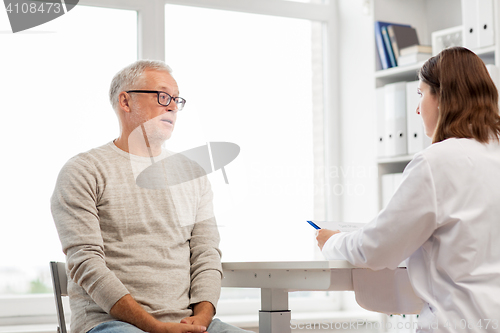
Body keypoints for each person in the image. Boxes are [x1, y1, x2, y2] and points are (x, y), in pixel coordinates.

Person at [51, 60, 247, 333]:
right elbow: (86, 262)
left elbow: (206, 255)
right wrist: (153, 327)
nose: (172, 107)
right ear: (126, 101)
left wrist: (202, 320)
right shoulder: (84, 171)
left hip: (188, 324)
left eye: (176, 100)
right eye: (163, 96)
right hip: (111, 324)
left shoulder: (193, 174)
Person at [317, 47, 500, 332]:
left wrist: (332, 242)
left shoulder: (436, 162)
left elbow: (376, 248)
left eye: (421, 93)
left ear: (442, 98)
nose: (417, 108)